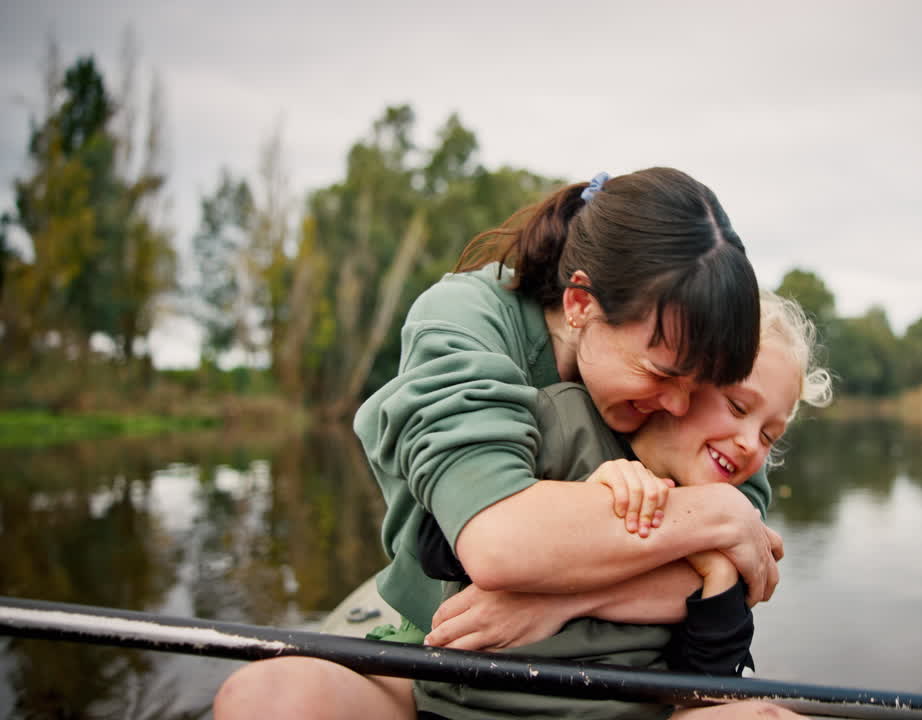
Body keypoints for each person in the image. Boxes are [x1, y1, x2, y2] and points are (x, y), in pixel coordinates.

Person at [214, 169, 787, 720]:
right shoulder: (466, 319)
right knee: (267, 697)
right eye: (660, 373)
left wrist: (553, 600)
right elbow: (496, 540)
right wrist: (713, 513)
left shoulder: (697, 347)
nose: (683, 405)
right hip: (443, 662)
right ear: (580, 304)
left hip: (639, 684)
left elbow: (740, 563)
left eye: (704, 383)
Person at [408, 290, 833, 720]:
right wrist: (595, 505)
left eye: (768, 437)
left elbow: (711, 682)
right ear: (687, 377)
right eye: (738, 406)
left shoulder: (729, 525)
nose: (749, 443)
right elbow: (438, 543)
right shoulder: (564, 421)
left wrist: (717, 569)